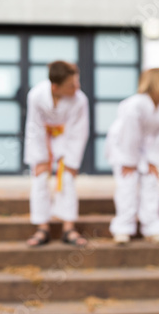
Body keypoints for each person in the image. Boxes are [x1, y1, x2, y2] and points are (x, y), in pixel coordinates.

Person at [105, 68, 159, 245]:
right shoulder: (135, 104)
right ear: (156, 82)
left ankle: (153, 229)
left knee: (151, 182)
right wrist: (129, 161)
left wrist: (154, 161)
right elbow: (129, 135)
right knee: (127, 184)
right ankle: (122, 229)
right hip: (123, 146)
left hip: (148, 148)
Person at [24, 61, 90, 247]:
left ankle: (68, 228)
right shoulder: (36, 96)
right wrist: (40, 159)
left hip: (66, 139)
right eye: (71, 85)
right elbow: (34, 128)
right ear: (55, 86)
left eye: (76, 82)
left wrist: (71, 161)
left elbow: (79, 132)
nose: (76, 87)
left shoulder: (80, 100)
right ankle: (42, 227)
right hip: (43, 139)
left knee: (67, 178)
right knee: (39, 179)